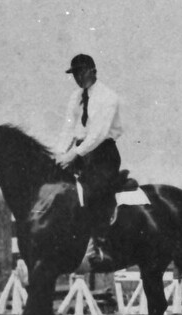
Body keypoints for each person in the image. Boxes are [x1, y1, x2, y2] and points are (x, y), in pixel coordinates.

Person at [54, 53, 125, 269]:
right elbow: (68, 128)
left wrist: (74, 154)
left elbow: (98, 134)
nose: (78, 77)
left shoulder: (108, 97)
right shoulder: (75, 97)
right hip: (79, 152)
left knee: (93, 190)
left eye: (81, 72)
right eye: (75, 74)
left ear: (93, 71)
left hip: (102, 154)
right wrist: (59, 154)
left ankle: (99, 244)